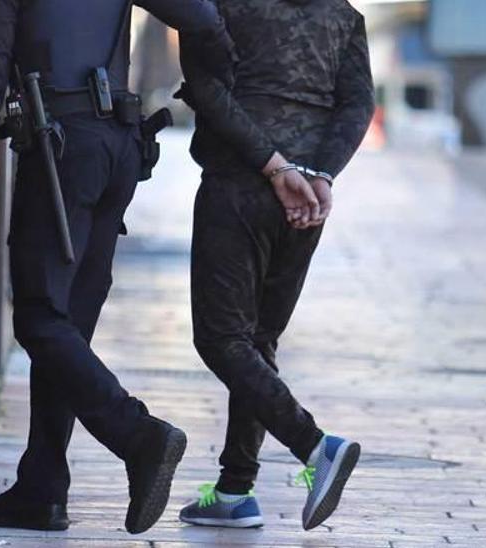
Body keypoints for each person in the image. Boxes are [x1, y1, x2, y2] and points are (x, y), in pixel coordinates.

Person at [0, 0, 236, 535]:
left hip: (63, 149)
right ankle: (42, 487)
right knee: (67, 327)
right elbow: (202, 18)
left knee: (38, 318)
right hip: (117, 147)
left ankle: (138, 436)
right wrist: (207, 86)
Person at [168, 0, 375, 532]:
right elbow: (356, 105)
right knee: (257, 342)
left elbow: (210, 91)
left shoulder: (220, 7)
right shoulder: (344, 15)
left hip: (242, 185)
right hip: (304, 200)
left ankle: (314, 446)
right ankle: (236, 489)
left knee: (221, 339)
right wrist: (320, 174)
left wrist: (274, 166)